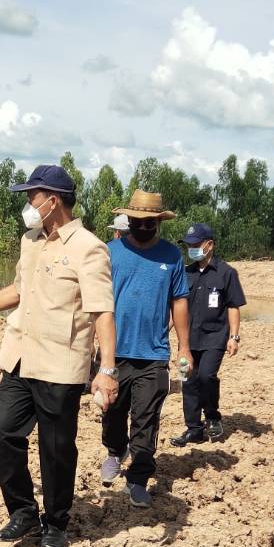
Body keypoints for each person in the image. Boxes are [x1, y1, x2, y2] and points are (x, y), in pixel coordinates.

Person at [0, 165, 117, 547]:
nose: (27, 205)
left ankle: (56, 523)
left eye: (31, 197)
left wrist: (107, 370)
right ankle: (22, 511)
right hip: (19, 357)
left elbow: (103, 310)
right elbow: (19, 290)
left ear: (52, 201)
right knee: (3, 433)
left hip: (59, 363)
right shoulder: (31, 240)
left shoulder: (89, 248)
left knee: (56, 448)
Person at [101, 190, 190, 509]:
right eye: (138, 221)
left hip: (153, 354)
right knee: (111, 413)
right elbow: (95, 304)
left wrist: (184, 347)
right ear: (129, 221)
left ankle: (138, 479)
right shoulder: (109, 253)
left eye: (149, 222)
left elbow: (179, 300)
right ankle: (114, 450)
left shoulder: (171, 256)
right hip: (115, 352)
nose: (143, 226)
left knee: (146, 419)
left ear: (158, 222)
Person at [170, 222, 246, 446]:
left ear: (209, 245)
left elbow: (233, 306)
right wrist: (164, 332)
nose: (191, 249)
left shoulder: (226, 273)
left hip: (214, 337)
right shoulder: (185, 273)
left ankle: (212, 416)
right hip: (187, 339)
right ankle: (193, 428)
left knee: (206, 377)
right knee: (188, 381)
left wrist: (234, 336)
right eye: (188, 245)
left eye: (195, 244)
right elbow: (175, 306)